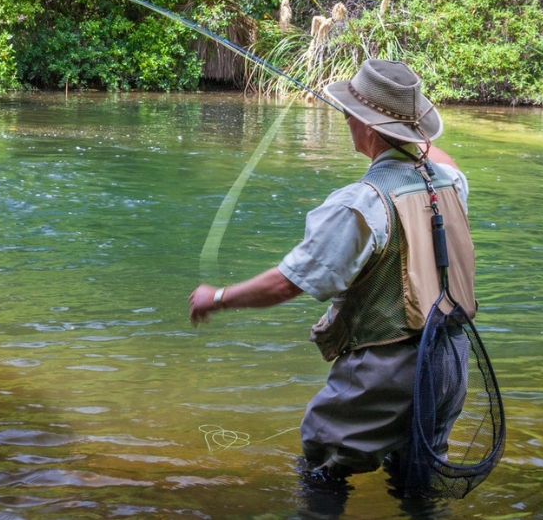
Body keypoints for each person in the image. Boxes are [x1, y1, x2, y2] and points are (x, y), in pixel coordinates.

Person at [188, 59, 476, 485]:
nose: (345, 120)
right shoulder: (451, 181)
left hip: (389, 365)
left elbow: (289, 283)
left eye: (349, 114)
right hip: (452, 357)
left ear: (367, 128)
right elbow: (436, 154)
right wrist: (405, 131)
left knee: (323, 461)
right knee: (418, 472)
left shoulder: (360, 204)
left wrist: (216, 298)